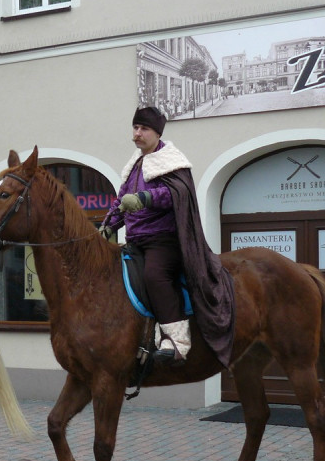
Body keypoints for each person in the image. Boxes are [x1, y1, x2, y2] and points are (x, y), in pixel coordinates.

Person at [100, 106, 234, 366]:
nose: (137, 134)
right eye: (135, 128)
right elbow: (121, 202)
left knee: (155, 276)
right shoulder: (136, 164)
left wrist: (145, 197)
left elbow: (177, 194)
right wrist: (108, 225)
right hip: (136, 241)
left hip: (165, 240)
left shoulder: (172, 160)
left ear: (157, 133)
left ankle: (176, 342)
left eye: (143, 129)